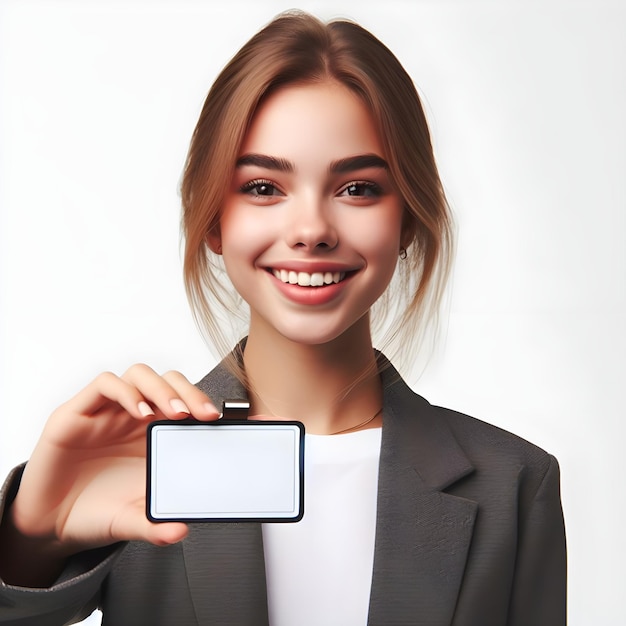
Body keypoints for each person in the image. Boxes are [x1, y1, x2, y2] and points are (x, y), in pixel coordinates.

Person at [0, 10, 566, 626]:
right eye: (264, 188)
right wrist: (29, 541)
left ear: (407, 220)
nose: (311, 231)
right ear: (214, 219)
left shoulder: (514, 485)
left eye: (358, 189)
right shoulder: (138, 461)